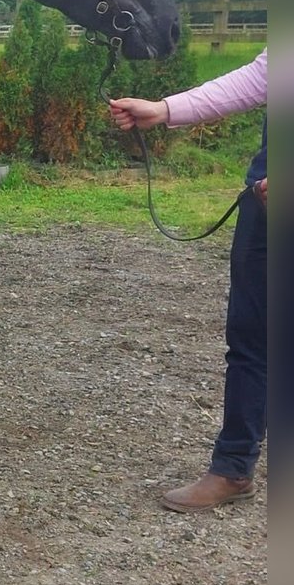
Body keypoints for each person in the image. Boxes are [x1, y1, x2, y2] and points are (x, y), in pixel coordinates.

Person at [109, 48, 267, 513]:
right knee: (250, 341)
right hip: (266, 203)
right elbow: (258, 79)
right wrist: (164, 110)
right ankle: (233, 469)